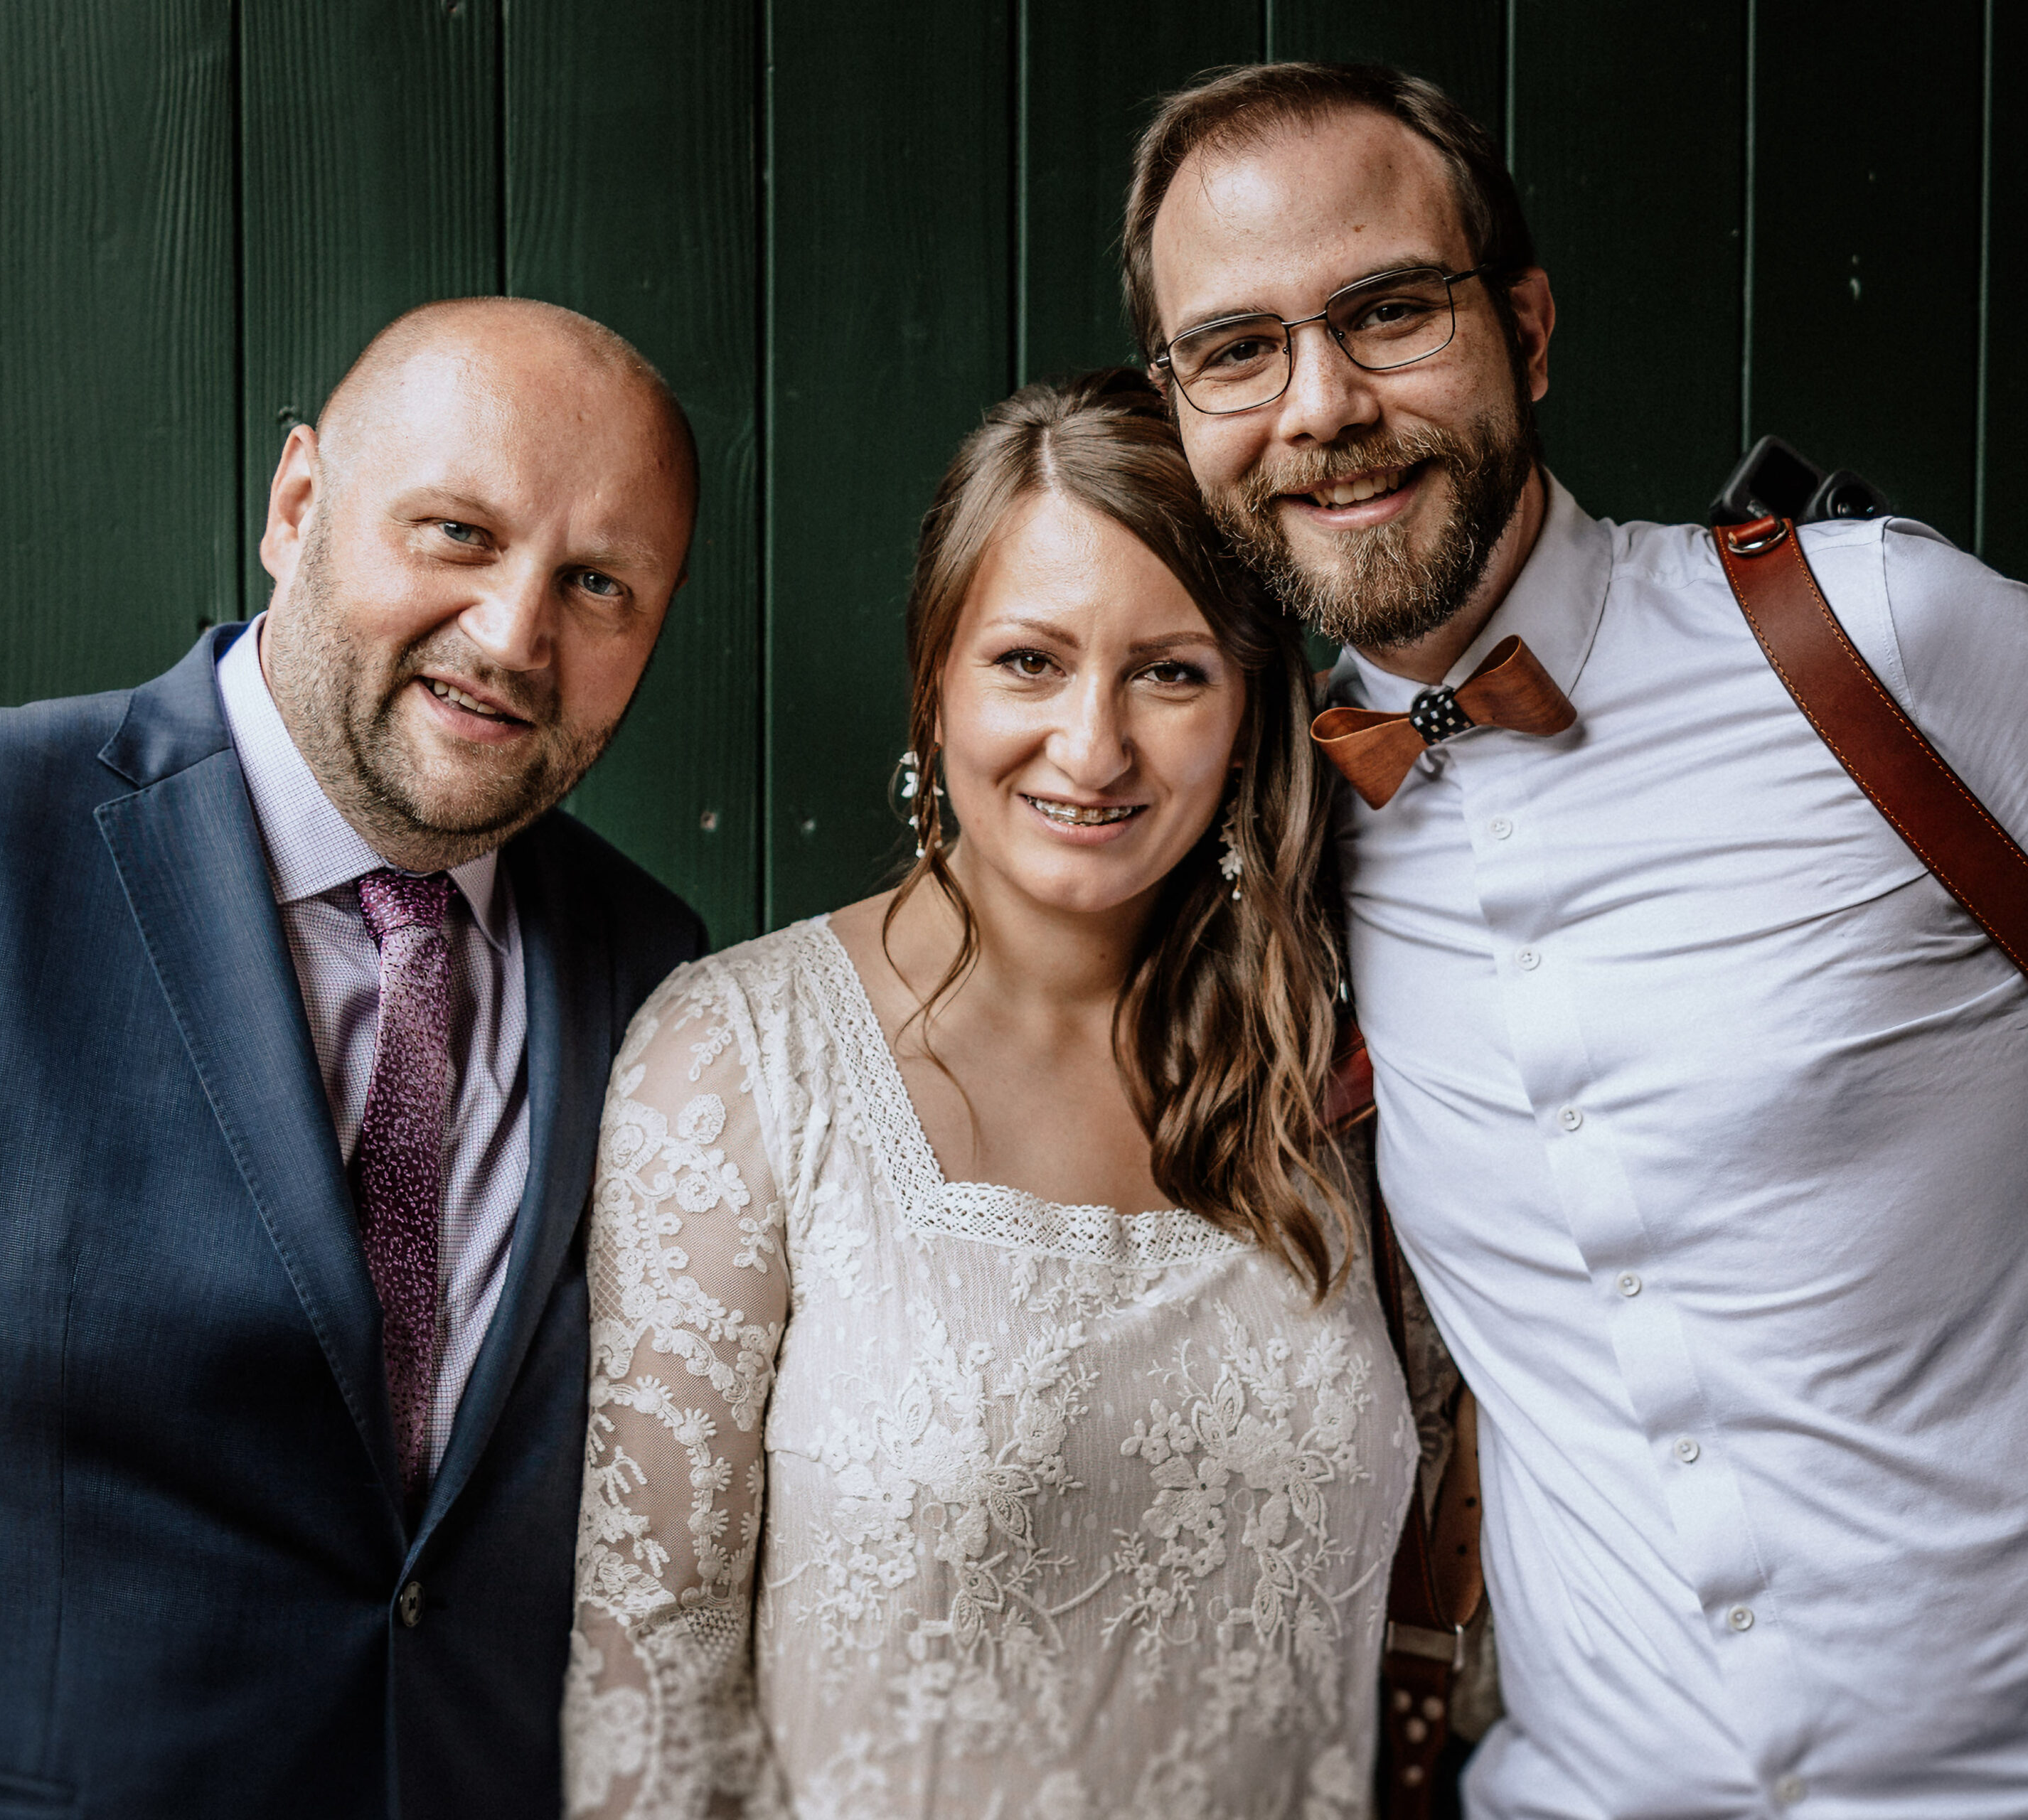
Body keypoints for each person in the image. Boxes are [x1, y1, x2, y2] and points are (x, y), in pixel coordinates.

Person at [1127, 58, 2028, 1819]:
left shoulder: (1891, 639)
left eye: (1391, 311)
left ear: (1527, 330)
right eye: (1237, 350)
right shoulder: (1249, 827)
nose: (1321, 404)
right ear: (1180, 405)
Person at [0, 297, 707, 1819]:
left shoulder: (657, 970)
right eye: (457, 534)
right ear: (298, 505)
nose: (513, 636)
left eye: (598, 582)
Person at [562, 368, 1438, 1820]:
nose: (1092, 746)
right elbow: (654, 1682)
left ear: (1247, 710)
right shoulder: (739, 1060)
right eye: (1030, 660)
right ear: (937, 681)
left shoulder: (1333, 1053)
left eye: (1170, 672)